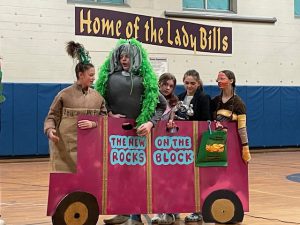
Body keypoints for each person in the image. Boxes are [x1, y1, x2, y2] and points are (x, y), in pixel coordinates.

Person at [95, 38, 167, 225]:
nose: (123, 59)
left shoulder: (144, 80)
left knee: (138, 175)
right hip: (116, 135)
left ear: (136, 57)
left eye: (127, 56)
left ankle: (136, 215)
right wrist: (109, 113)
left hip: (138, 135)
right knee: (117, 175)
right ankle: (123, 212)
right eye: (121, 56)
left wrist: (151, 123)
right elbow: (100, 101)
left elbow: (162, 104)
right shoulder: (110, 79)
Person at [44, 41, 107, 173]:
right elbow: (52, 117)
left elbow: (104, 119)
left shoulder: (98, 97)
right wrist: (50, 130)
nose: (93, 78)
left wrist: (93, 123)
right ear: (80, 75)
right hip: (65, 151)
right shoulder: (64, 95)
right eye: (91, 75)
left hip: (90, 150)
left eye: (94, 75)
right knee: (66, 183)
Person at [176, 69, 211, 223]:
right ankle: (176, 208)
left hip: (196, 141)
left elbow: (205, 121)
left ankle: (198, 210)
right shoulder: (180, 97)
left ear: (198, 83)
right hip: (182, 144)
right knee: (182, 178)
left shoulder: (204, 98)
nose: (189, 86)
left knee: (197, 177)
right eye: (187, 83)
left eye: (192, 83)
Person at [151, 73, 179, 225]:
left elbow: (172, 119)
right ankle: (157, 211)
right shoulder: (151, 96)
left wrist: (171, 123)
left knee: (167, 179)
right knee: (154, 179)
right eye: (165, 85)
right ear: (159, 84)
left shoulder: (174, 102)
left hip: (165, 144)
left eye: (171, 86)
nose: (167, 88)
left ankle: (170, 211)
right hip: (150, 142)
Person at [211, 70, 251, 163]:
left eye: (222, 79)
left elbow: (242, 128)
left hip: (232, 143)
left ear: (231, 81)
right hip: (215, 142)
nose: (219, 81)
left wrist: (245, 148)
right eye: (218, 79)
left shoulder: (239, 103)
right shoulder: (215, 101)